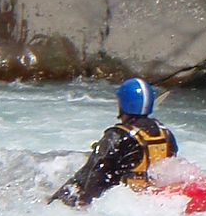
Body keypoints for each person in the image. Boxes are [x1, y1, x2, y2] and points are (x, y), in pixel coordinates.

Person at [49, 77, 186, 208]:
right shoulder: (166, 134)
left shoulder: (117, 136)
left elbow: (91, 174)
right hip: (151, 200)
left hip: (124, 203)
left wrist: (60, 200)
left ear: (123, 104)